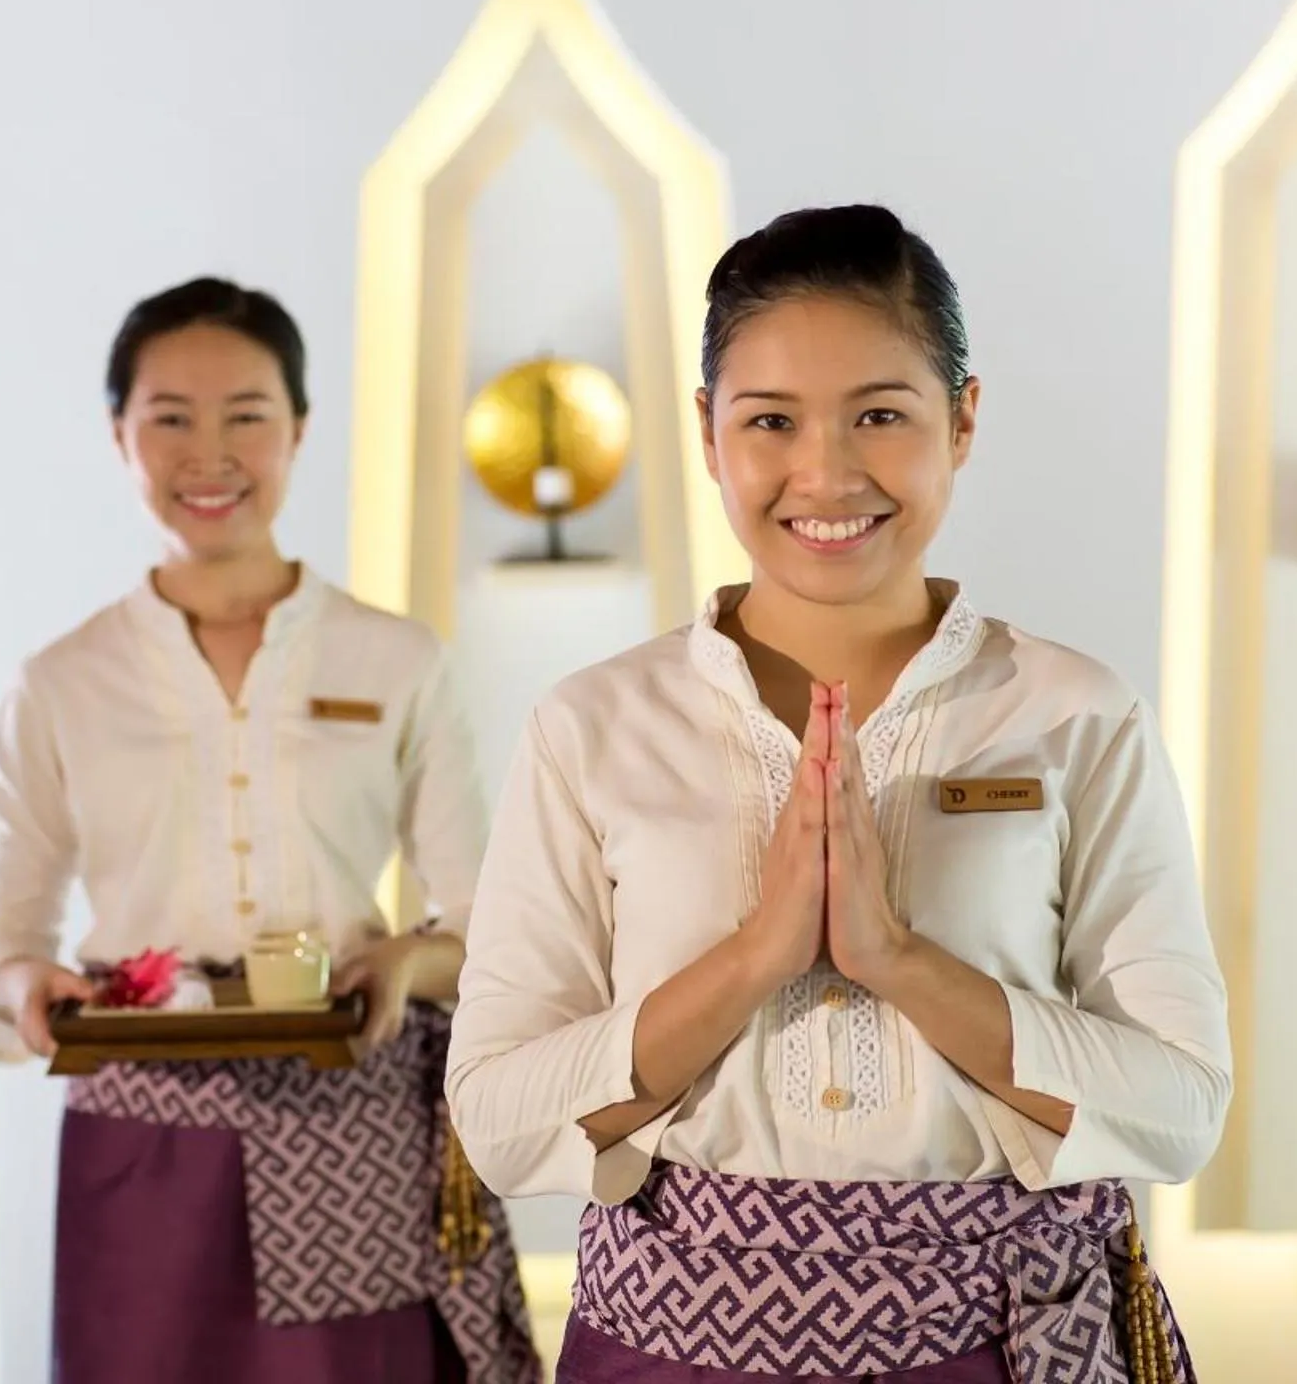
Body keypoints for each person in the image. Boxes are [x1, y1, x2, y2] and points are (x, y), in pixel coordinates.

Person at [446, 206, 1231, 1383]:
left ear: (961, 420)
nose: (827, 473)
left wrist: (899, 958)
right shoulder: (589, 726)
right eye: (770, 421)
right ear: (708, 435)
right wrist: (757, 956)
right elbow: (501, 1122)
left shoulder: (1076, 713)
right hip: (672, 1350)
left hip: (997, 1347)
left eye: (880, 414)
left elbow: (1180, 1109)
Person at [0, 276, 540, 1384]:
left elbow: (484, 919)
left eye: (247, 416)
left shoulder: (395, 659)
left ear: (299, 430)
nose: (209, 453)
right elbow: (7, 930)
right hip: (141, 1128)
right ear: (118, 434)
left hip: (351, 1114)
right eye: (170, 418)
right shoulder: (61, 682)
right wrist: (29, 988)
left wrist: (405, 960)